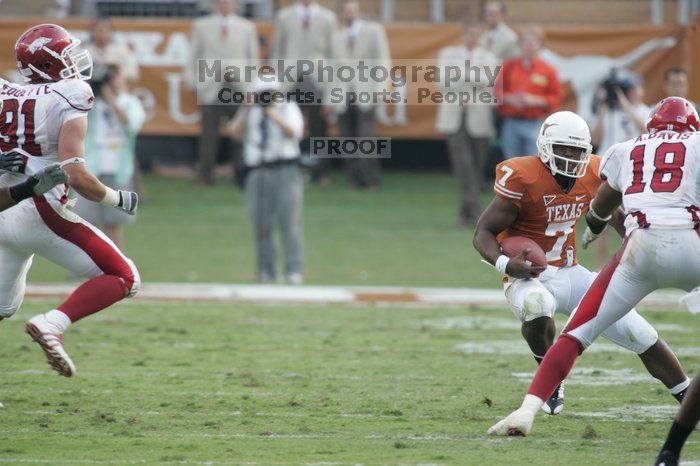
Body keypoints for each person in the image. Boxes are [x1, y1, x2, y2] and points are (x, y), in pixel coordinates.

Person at [487, 97, 700, 438]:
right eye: (563, 150)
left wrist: (622, 236)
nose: (571, 159)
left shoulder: (600, 166)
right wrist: (505, 263)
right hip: (529, 275)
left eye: (576, 152)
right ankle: (549, 377)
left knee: (640, 333)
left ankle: (688, 395)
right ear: (544, 146)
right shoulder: (522, 175)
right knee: (537, 306)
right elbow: (482, 232)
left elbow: (612, 210)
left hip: (571, 272)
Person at [0, 24, 140, 378]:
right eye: (66, 55)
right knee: (124, 276)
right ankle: (52, 323)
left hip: (4, 211)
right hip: (41, 210)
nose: (75, 61)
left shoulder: (5, 92)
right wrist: (117, 198)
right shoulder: (69, 94)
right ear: (48, 65)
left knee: (1, 308)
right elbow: (76, 175)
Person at [229, 79, 305, 284]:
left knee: (289, 222)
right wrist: (247, 109)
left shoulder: (287, 107)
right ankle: (266, 270)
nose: (265, 98)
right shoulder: (249, 111)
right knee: (261, 224)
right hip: (257, 171)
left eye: (269, 93)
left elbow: (294, 132)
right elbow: (235, 133)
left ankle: (293, 269)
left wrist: (272, 113)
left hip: (285, 169)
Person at [73, 65, 146, 250]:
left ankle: (116, 265)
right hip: (91, 167)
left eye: (115, 77)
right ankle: (86, 264)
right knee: (85, 221)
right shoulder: (90, 102)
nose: (111, 82)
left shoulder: (131, 102)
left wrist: (111, 98)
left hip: (119, 169)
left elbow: (129, 123)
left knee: (114, 222)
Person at [187, 0, 259, 186]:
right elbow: (193, 56)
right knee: (208, 135)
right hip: (211, 87)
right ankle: (205, 176)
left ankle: (241, 176)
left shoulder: (247, 27)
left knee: (240, 133)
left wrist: (253, 87)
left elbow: (253, 58)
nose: (225, 4)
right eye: (221, 1)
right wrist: (195, 84)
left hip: (239, 86)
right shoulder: (201, 26)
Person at [270, 0, 336, 186]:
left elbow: (333, 55)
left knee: (319, 127)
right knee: (288, 125)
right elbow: (277, 51)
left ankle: (322, 173)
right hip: (289, 80)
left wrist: (332, 87)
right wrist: (277, 84)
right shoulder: (284, 16)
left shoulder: (328, 18)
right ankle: (288, 169)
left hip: (317, 79)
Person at [436, 21, 495, 226]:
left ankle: (466, 212)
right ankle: (477, 213)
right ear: (463, 35)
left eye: (477, 34)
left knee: (476, 167)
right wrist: (471, 77)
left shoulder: (489, 57)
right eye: (470, 33)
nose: (473, 37)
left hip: (478, 118)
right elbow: (442, 80)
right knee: (463, 165)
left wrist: (460, 74)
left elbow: (488, 80)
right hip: (453, 117)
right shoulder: (448, 54)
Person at [330, 0, 390, 190]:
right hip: (343, 93)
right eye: (346, 11)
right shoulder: (336, 37)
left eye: (352, 10)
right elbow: (331, 70)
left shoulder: (373, 31)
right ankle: (352, 179)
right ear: (341, 13)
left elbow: (383, 60)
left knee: (366, 137)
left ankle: (371, 179)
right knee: (346, 138)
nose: (349, 14)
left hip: (366, 91)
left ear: (358, 11)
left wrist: (381, 88)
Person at [495, 27, 563, 159]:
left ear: (541, 45)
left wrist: (535, 100)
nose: (530, 46)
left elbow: (556, 98)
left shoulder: (548, 70)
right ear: (520, 45)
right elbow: (497, 91)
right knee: (511, 163)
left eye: (534, 42)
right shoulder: (509, 66)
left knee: (533, 163)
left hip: (535, 124)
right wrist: (511, 99)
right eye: (526, 42)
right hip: (511, 123)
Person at [84, 17, 139, 83]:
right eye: (99, 30)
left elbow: (133, 74)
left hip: (115, 87)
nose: (102, 33)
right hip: (91, 87)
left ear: (111, 32)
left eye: (106, 30)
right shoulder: (85, 51)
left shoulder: (122, 50)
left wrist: (117, 70)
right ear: (92, 32)